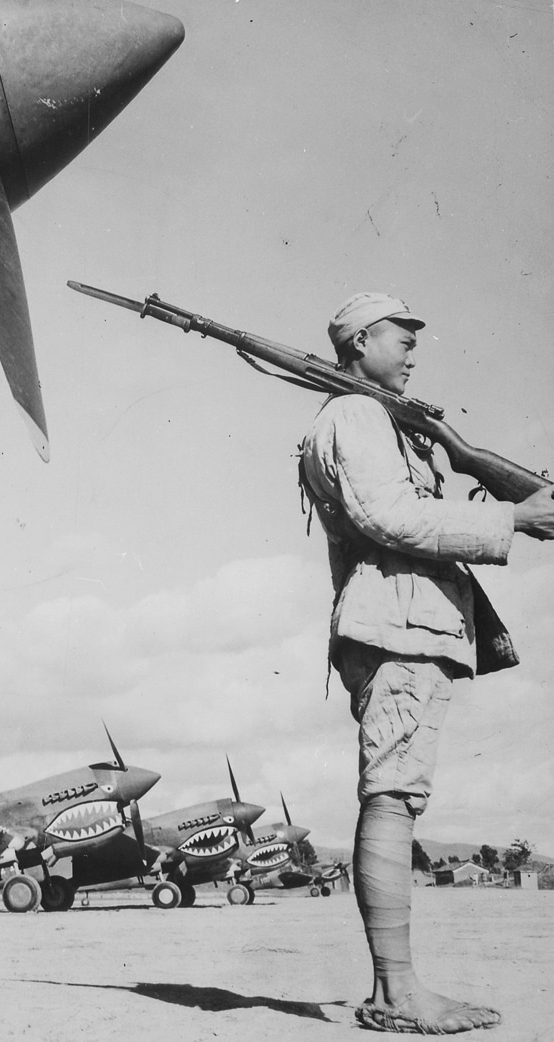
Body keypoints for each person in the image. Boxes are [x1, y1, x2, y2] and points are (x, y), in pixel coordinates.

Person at [299, 291, 554, 1035]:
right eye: (399, 338)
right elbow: (392, 518)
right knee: (392, 794)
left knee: (399, 794)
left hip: (410, 625)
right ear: (358, 343)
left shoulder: (382, 417)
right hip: (398, 627)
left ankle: (398, 988)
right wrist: (513, 516)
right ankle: (396, 994)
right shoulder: (356, 414)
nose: (414, 349)